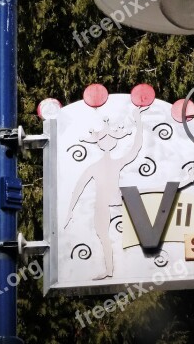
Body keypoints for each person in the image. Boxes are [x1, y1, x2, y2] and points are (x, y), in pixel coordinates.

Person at [64, 105, 147, 279]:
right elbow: (79, 186)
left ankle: (113, 268)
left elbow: (136, 147)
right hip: (103, 203)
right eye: (103, 138)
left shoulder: (112, 164)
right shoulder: (95, 167)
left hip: (117, 199)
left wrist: (138, 120)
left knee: (106, 234)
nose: (107, 140)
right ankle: (109, 270)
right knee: (102, 235)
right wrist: (69, 211)